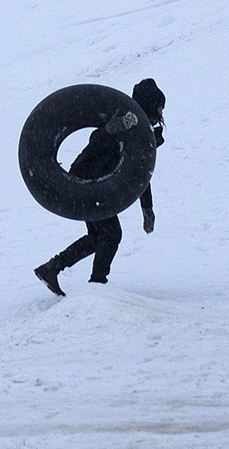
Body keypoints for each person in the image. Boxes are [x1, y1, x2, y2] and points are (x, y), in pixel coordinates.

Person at [35, 78, 165, 295]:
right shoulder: (126, 121)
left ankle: (52, 268)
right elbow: (97, 138)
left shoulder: (142, 135)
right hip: (85, 183)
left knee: (100, 236)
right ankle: (96, 287)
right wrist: (116, 128)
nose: (161, 113)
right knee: (111, 234)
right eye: (160, 107)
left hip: (94, 185)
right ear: (150, 105)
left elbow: (140, 173)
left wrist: (147, 209)